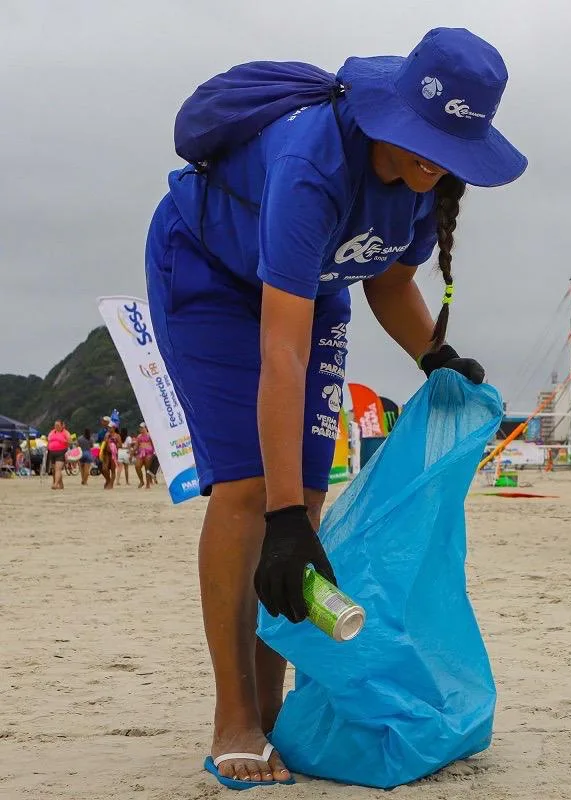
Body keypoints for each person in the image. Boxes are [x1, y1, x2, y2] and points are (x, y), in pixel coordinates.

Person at [143, 28, 527, 788]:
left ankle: (275, 703)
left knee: (309, 501)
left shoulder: (426, 182)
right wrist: (279, 520)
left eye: (451, 149)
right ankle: (235, 714)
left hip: (317, 290)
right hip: (210, 277)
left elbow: (384, 279)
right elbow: (279, 351)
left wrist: (435, 357)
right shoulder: (312, 164)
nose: (433, 163)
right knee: (254, 493)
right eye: (426, 143)